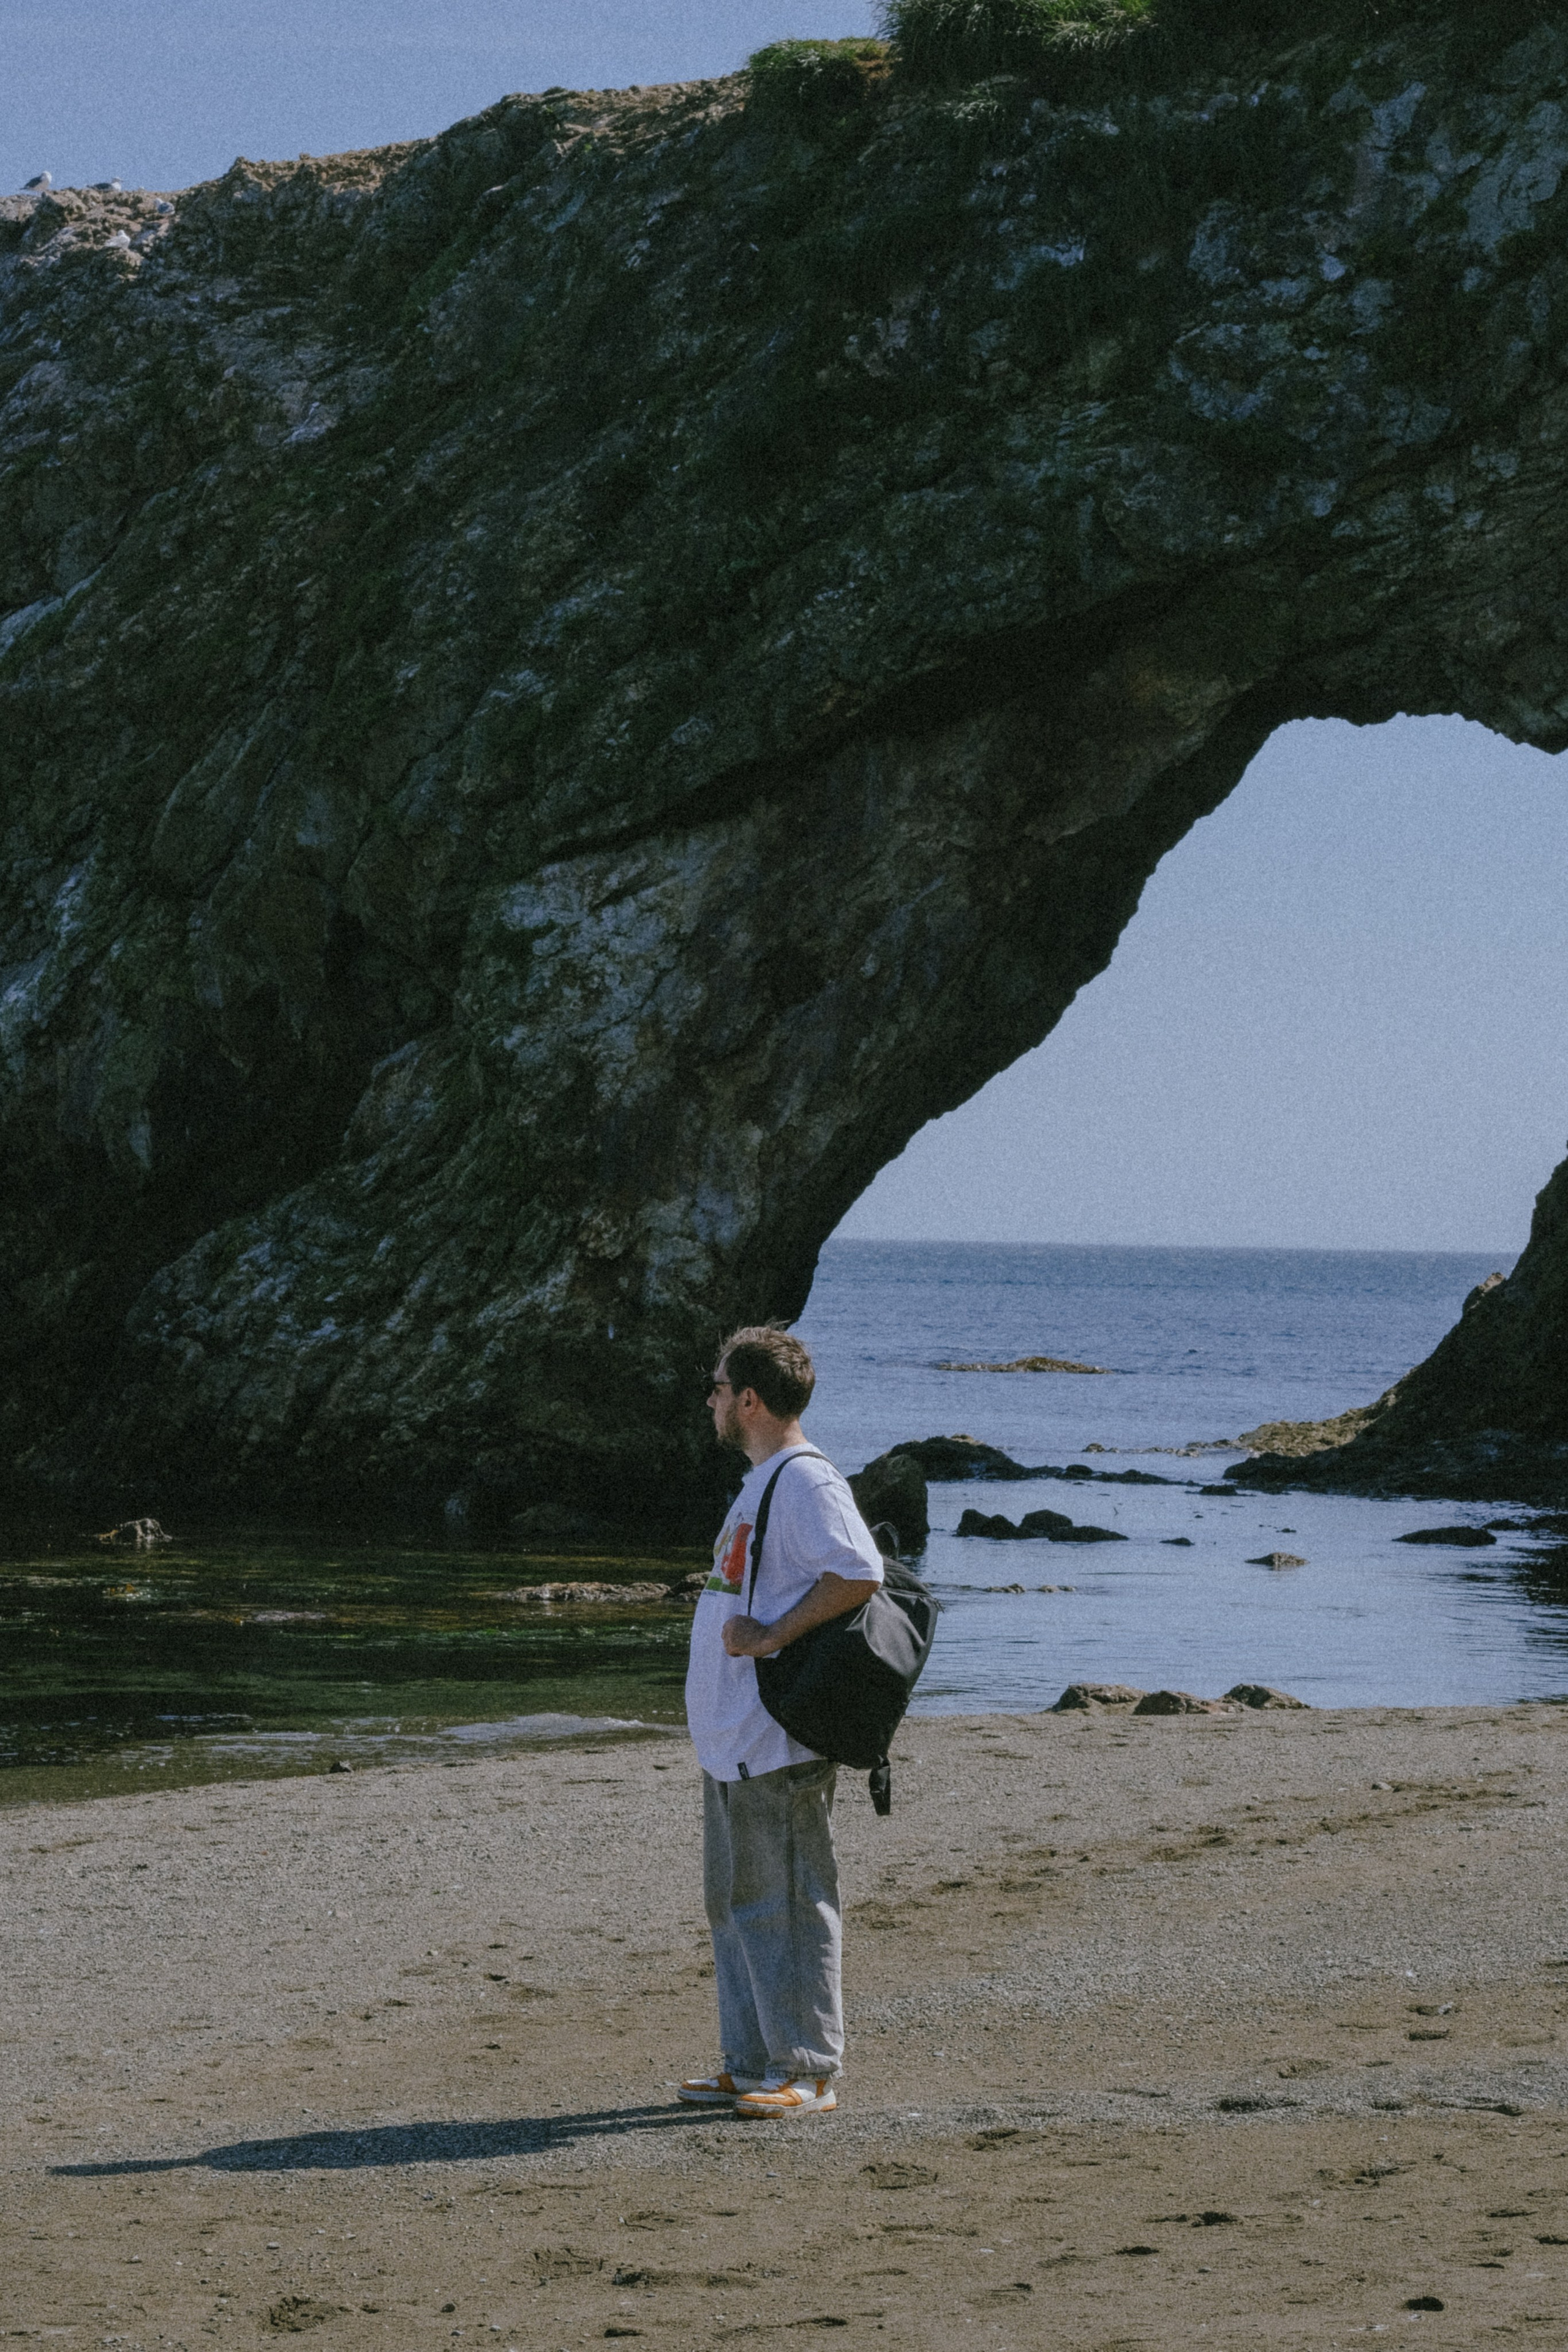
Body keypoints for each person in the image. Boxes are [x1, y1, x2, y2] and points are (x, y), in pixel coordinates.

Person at [678, 1324, 883, 2119]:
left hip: (776, 1737)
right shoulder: (766, 1479)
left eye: (720, 1386)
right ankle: (752, 2059)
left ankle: (807, 2070)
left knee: (789, 1903)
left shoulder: (804, 1481)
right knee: (735, 1904)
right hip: (734, 1741)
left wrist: (770, 1636)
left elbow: (857, 1571)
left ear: (751, 1400)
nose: (711, 1399)